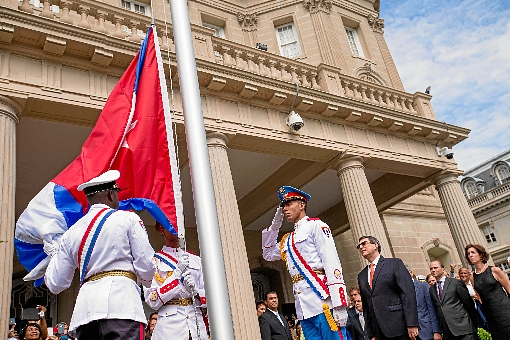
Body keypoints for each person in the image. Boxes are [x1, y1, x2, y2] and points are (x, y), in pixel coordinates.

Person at [44, 170, 156, 339]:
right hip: (122, 306)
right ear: (111, 194)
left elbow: (56, 283)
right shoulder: (128, 219)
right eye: (116, 193)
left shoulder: (71, 232)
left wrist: (53, 255)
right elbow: (146, 265)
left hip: (85, 313)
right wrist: (146, 281)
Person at [262, 186, 348, 340]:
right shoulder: (287, 240)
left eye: (288, 204)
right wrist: (275, 224)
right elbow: (267, 254)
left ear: (302, 205)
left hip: (323, 302)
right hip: (303, 307)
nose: (285, 209)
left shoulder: (316, 226)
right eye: (283, 206)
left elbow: (331, 262)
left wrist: (339, 303)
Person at [144, 221, 208, 340]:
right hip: (170, 327)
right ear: (162, 229)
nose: (176, 229)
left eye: (178, 225)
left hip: (195, 324)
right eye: (171, 225)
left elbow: (211, 297)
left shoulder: (196, 259)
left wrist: (196, 292)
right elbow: (152, 299)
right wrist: (176, 279)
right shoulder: (154, 262)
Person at [356, 236, 419, 340]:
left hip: (399, 326)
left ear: (375, 245)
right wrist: (371, 333)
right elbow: (366, 306)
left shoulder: (394, 264)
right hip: (378, 331)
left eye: (364, 243)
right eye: (359, 246)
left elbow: (407, 293)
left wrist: (412, 323)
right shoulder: (361, 275)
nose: (361, 247)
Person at [466, 244, 510, 340]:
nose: (470, 255)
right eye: (468, 253)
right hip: (491, 316)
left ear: (481, 255)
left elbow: (509, 289)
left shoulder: (494, 270)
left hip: (506, 311)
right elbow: (478, 296)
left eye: (473, 252)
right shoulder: (472, 277)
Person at [428, 260, 477, 340]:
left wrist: (471, 323)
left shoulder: (455, 283)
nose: (433, 270)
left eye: (435, 268)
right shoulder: (432, 290)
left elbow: (469, 303)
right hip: (448, 332)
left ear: (443, 269)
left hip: (464, 329)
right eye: (431, 268)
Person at [406, 264, 442, 340]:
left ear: (411, 273)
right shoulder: (399, 290)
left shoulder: (423, 286)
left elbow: (431, 309)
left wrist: (436, 331)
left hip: (426, 330)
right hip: (410, 334)